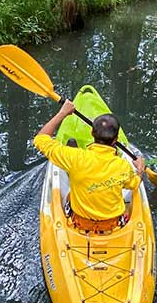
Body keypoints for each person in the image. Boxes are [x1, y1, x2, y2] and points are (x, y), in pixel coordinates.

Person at [33, 99, 146, 233]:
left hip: (81, 223)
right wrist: (140, 170)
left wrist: (62, 113)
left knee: (71, 187)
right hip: (112, 225)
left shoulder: (75, 157)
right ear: (115, 140)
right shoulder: (122, 166)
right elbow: (133, 185)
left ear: (92, 133)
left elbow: (40, 139)